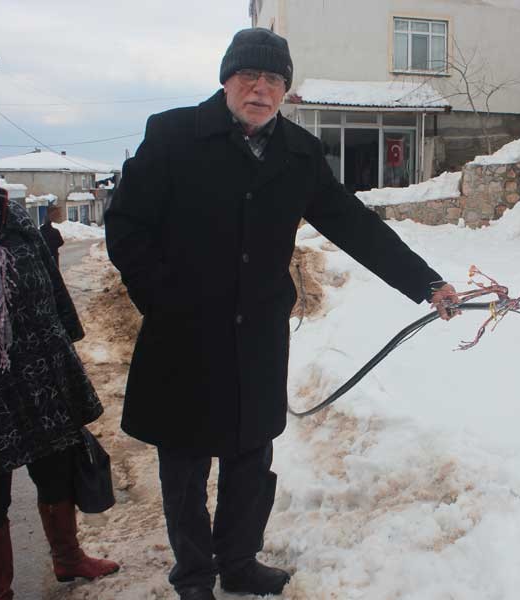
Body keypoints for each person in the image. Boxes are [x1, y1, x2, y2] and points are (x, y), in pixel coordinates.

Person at [105, 27, 459, 600]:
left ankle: (239, 563)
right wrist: (163, 300)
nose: (260, 88)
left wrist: (427, 283)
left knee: (250, 456)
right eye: (249, 75)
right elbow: (126, 227)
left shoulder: (298, 152)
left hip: (257, 337)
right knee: (187, 463)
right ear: (226, 80)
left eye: (273, 79)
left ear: (286, 91)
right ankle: (194, 575)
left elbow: (353, 224)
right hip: (183, 332)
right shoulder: (172, 135)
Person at [0, 136, 119, 600]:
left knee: (58, 476)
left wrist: (69, 350)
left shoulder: (17, 221)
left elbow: (52, 286)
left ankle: (68, 558)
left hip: (42, 378)